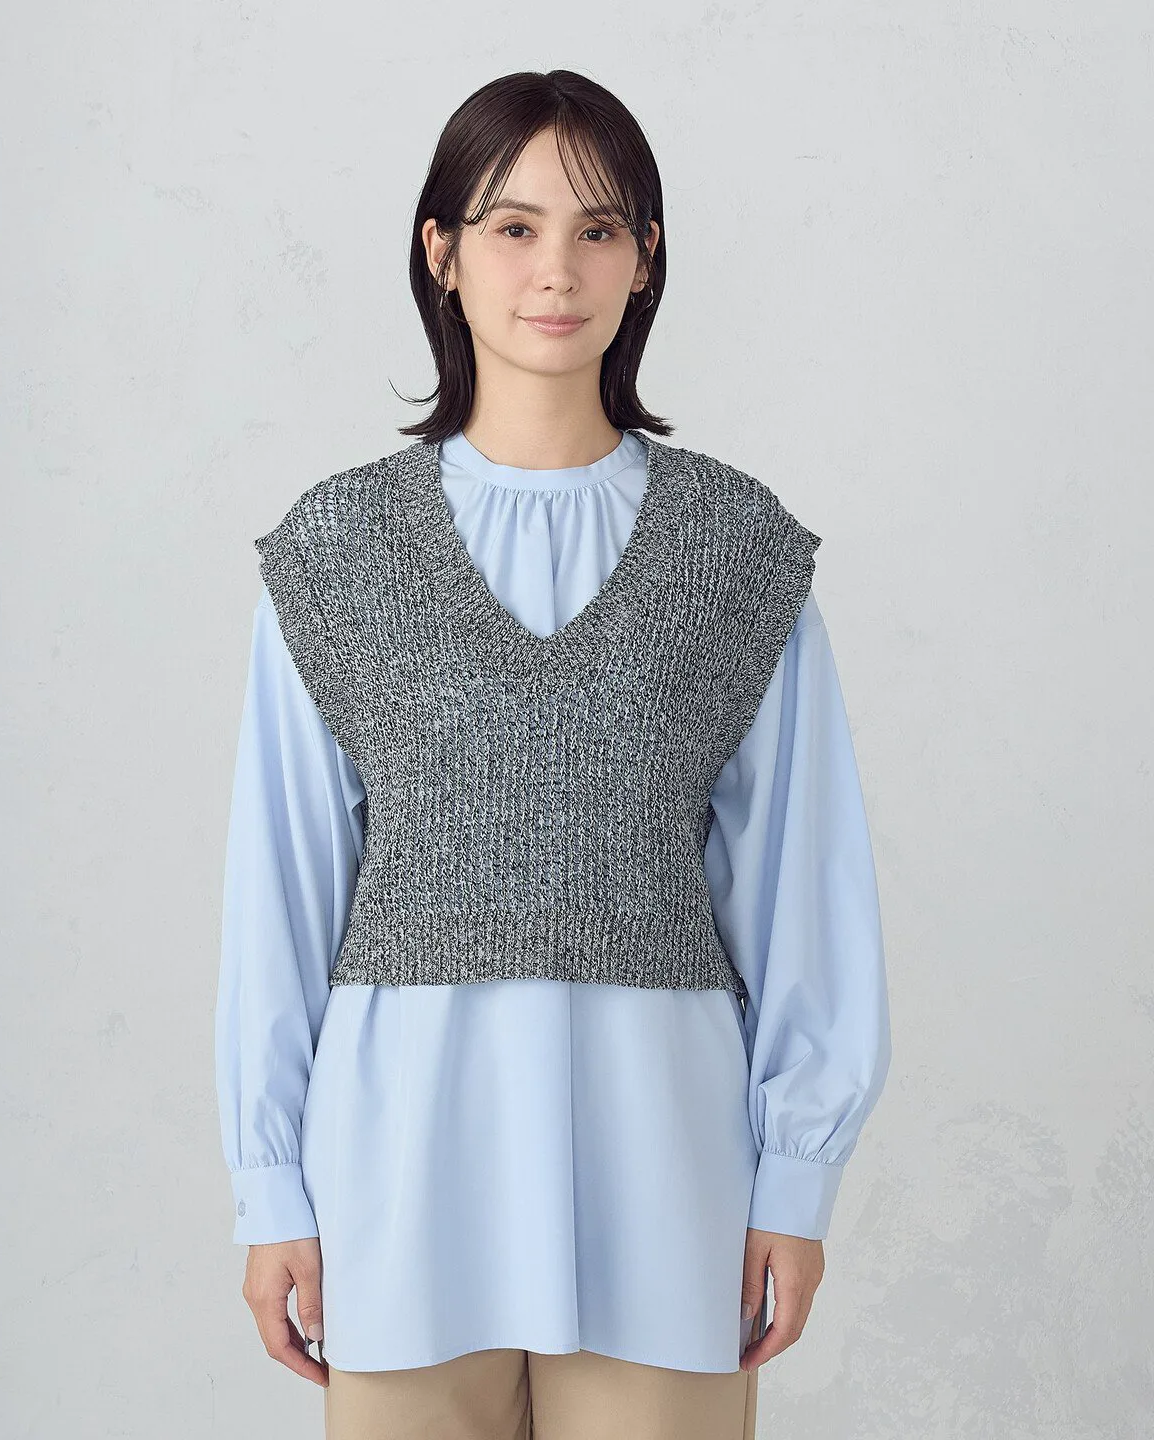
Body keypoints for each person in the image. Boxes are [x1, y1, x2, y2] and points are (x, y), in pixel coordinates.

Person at [215, 69, 892, 1440]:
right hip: (400, 1172)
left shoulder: (735, 551)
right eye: (513, 227)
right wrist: (270, 1185)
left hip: (668, 1171)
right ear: (442, 252)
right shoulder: (338, 551)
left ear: (646, 259)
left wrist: (795, 1178)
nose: (556, 271)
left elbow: (801, 886)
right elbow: (281, 890)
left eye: (599, 229)